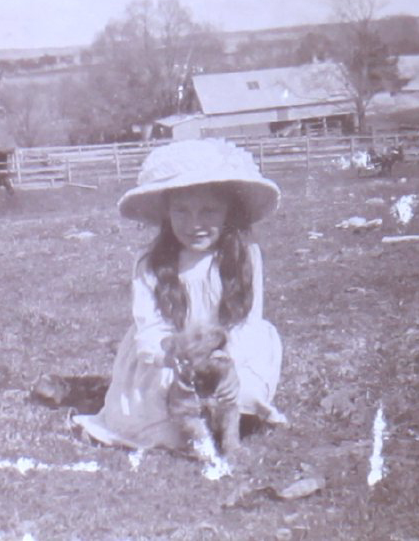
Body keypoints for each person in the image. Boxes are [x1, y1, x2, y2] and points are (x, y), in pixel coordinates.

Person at [72, 138, 287, 451]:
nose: (195, 224)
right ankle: (185, 420)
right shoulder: (151, 264)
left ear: (230, 212)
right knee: (160, 416)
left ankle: (231, 412)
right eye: (181, 212)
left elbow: (247, 322)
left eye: (209, 211)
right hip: (170, 361)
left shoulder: (245, 256)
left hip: (229, 356)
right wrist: (173, 360)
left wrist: (225, 364)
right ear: (166, 214)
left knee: (237, 395)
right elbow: (151, 330)